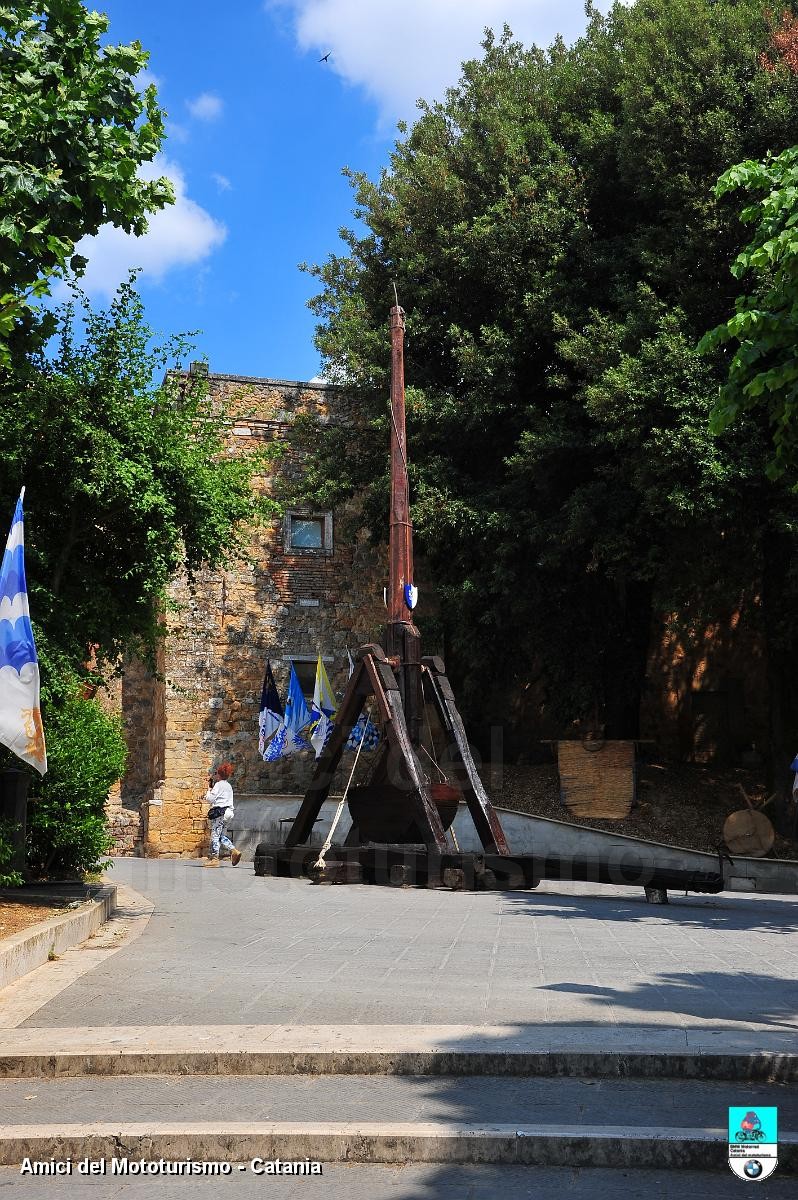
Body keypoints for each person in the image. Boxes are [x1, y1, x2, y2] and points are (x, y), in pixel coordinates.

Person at [204, 762, 241, 867]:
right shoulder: (228, 786)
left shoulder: (218, 785)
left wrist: (208, 791)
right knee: (220, 836)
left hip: (220, 813)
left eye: (216, 773)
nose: (215, 775)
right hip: (229, 813)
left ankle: (214, 859)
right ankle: (234, 851)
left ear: (219, 775)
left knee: (215, 835)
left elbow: (210, 799)